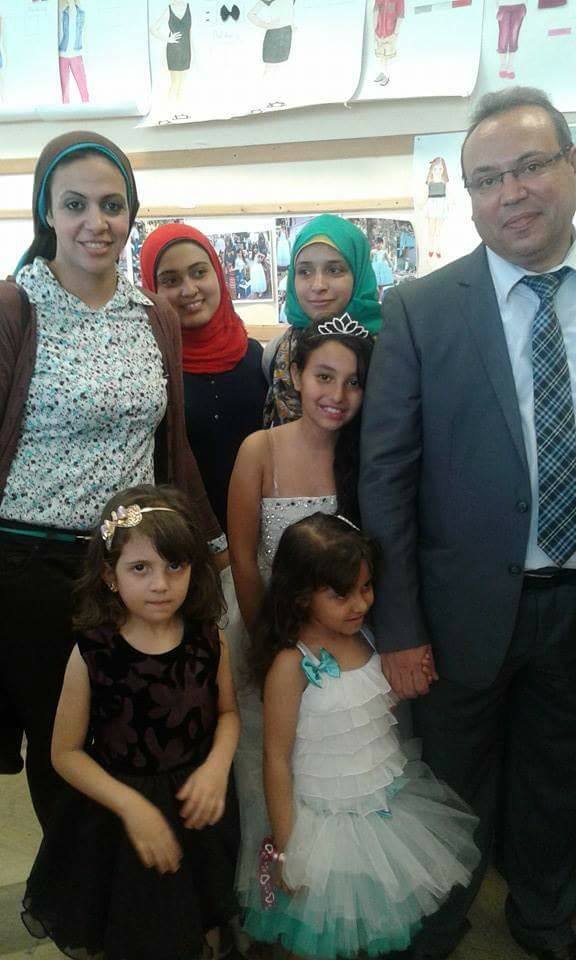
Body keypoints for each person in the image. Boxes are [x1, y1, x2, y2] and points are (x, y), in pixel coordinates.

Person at [359, 86, 576, 960]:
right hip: (458, 612)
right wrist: (399, 625)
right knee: (452, 782)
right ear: (471, 197)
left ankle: (546, 914)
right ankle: (442, 919)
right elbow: (386, 478)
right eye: (487, 179)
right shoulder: (423, 308)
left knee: (558, 775)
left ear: (569, 167)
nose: (511, 193)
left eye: (531, 166)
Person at [0, 131, 225, 828]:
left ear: (131, 212)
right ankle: (77, 883)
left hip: (129, 561)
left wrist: (209, 545)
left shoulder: (153, 315)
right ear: (47, 212)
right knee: (61, 742)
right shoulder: (14, 307)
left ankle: (132, 876)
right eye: (75, 204)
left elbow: (170, 442)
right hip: (31, 565)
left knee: (133, 730)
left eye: (111, 204)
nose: (95, 222)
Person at [241, 512, 479, 958]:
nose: (360, 603)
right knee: (324, 928)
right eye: (341, 594)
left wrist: (413, 678)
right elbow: (275, 758)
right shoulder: (292, 665)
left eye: (366, 587)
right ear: (300, 595)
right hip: (321, 823)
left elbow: (367, 706)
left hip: (381, 808)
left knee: (369, 920)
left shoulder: (368, 636)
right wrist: (288, 849)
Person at [22, 484, 241, 960]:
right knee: (132, 930)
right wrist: (132, 807)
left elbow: (227, 715)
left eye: (174, 566)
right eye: (140, 568)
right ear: (110, 575)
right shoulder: (92, 652)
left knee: (198, 920)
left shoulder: (209, 641)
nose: (160, 584)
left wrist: (216, 767)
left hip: (194, 810)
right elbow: (64, 753)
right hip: (117, 823)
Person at [227, 318, 375, 912]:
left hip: (345, 638)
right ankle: (276, 900)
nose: (338, 395)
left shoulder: (365, 455)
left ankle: (341, 900)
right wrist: (272, 645)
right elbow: (244, 556)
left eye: (354, 382)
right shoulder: (260, 450)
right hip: (273, 633)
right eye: (324, 376)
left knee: (336, 770)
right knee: (272, 762)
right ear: (294, 374)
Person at [140, 223, 268, 533]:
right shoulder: (148, 367)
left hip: (262, 527)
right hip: (182, 534)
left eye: (199, 272)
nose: (189, 290)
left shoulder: (255, 356)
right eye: (170, 280)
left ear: (218, 275)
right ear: (152, 289)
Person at [262, 214, 382, 426]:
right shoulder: (277, 351)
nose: (318, 285)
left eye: (334, 270)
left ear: (358, 272)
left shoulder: (389, 350)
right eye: (305, 271)